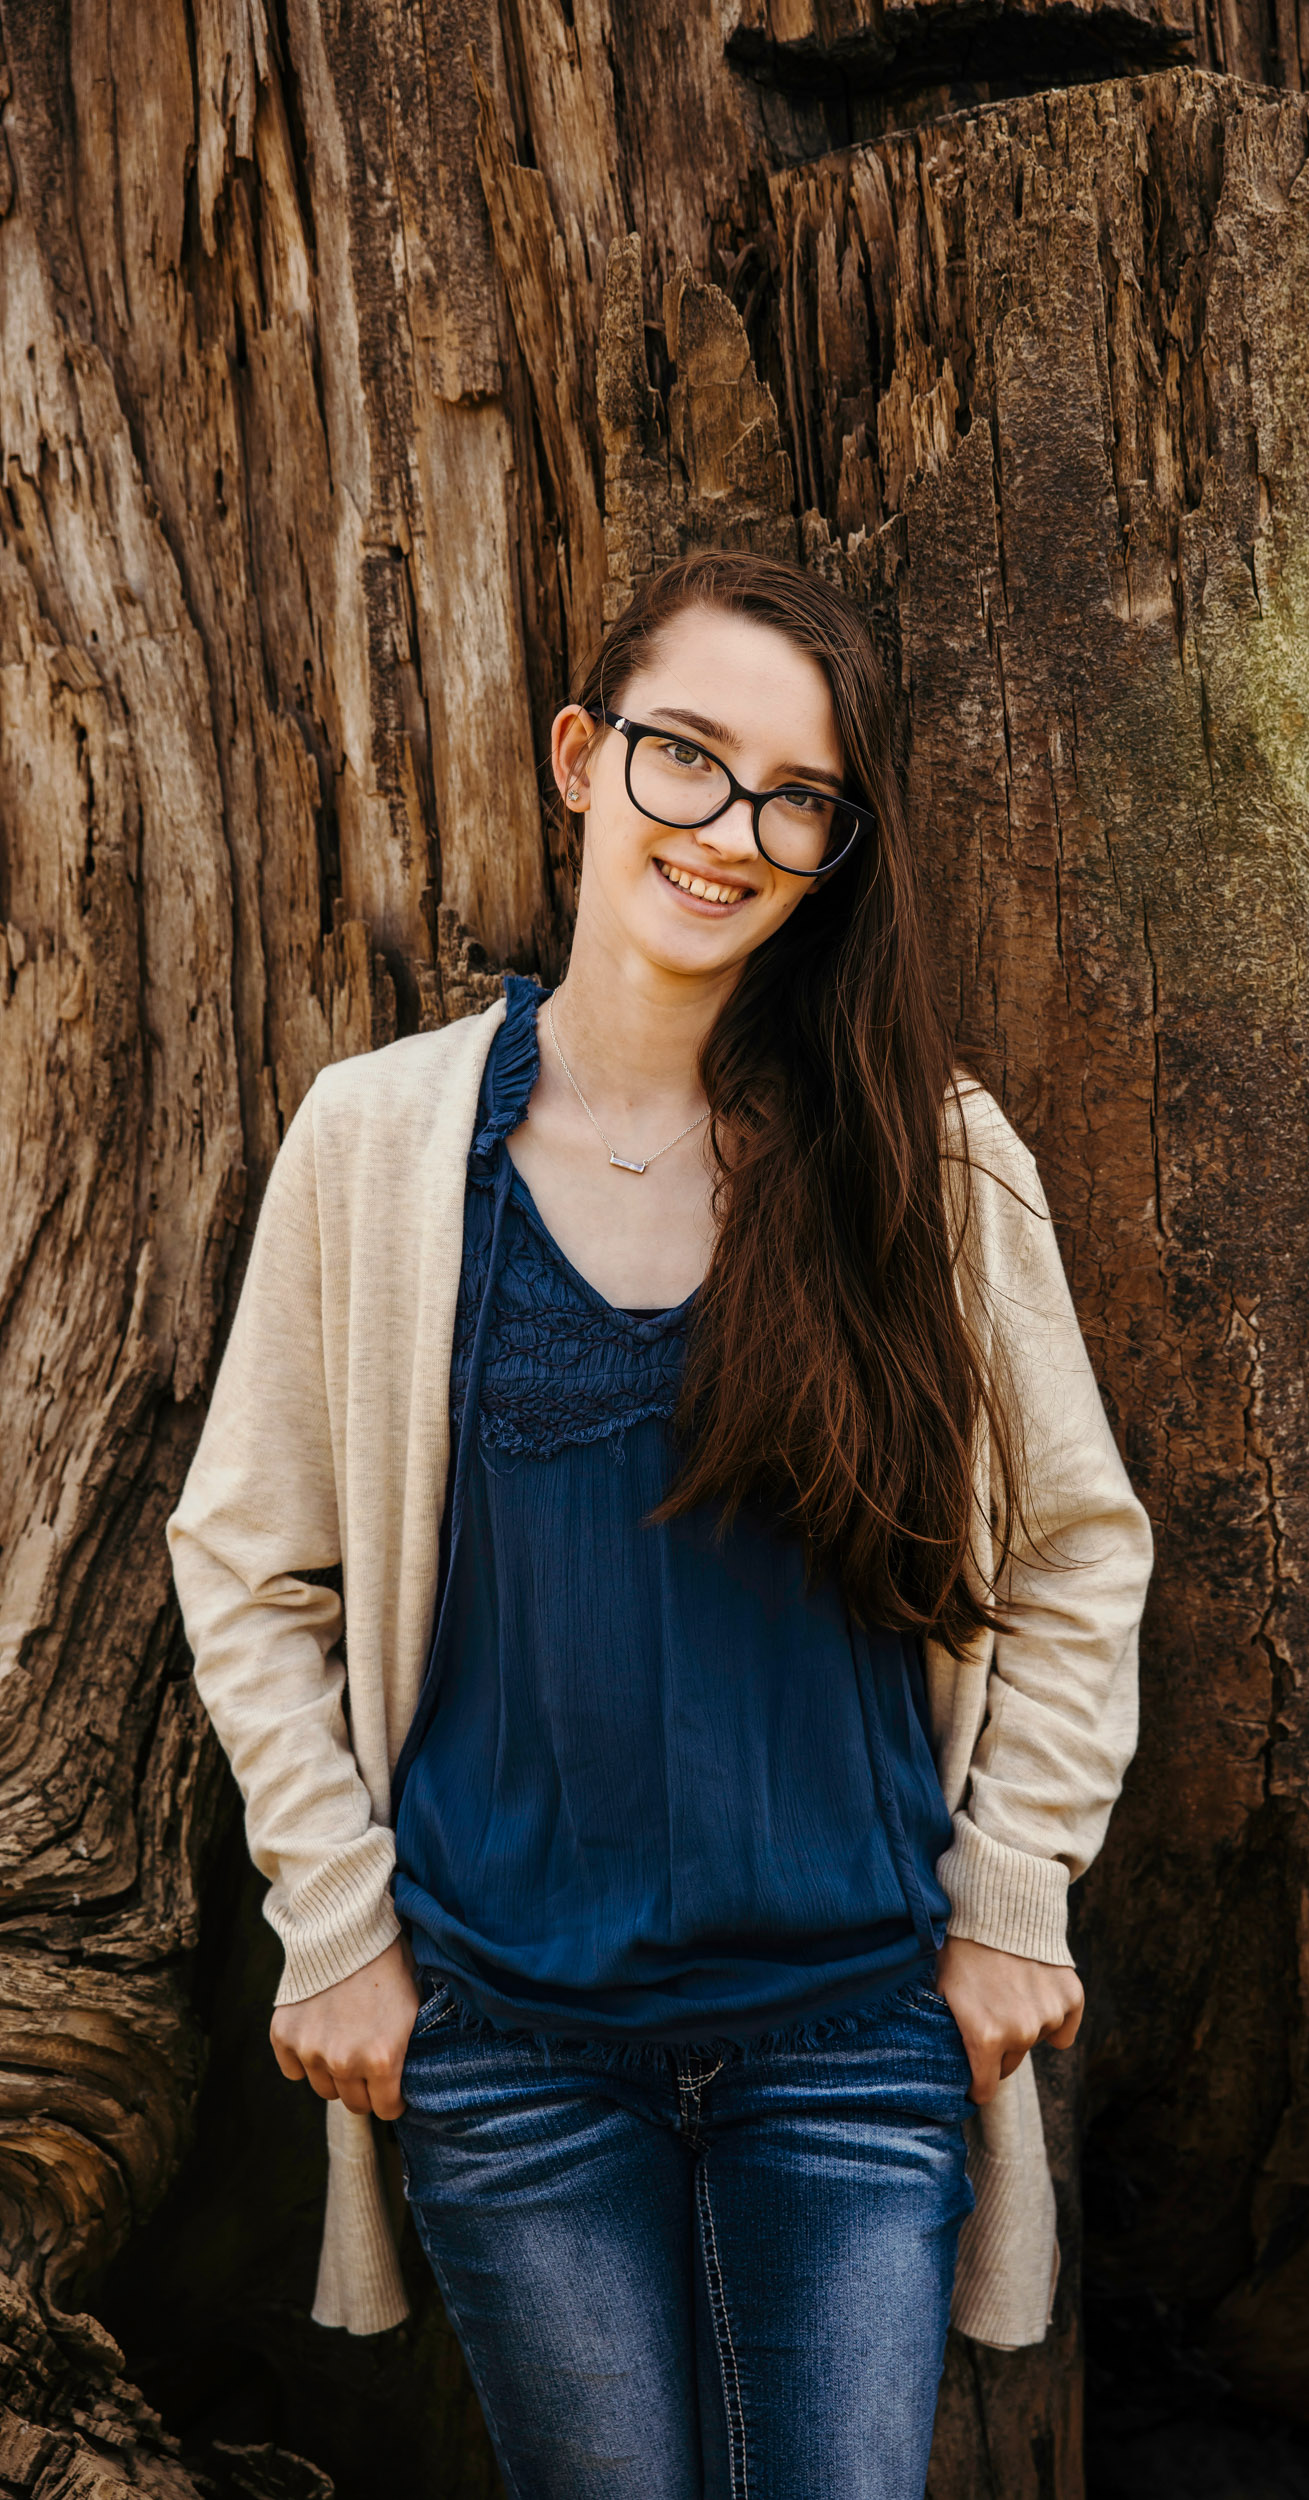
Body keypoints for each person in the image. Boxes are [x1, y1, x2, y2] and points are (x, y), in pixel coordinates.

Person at [167, 550, 1154, 2500]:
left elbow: (1075, 1550)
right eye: (685, 759)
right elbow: (250, 1561)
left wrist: (1017, 1893)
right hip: (510, 2046)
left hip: (856, 2039)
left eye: (798, 797)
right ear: (578, 757)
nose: (732, 832)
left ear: (838, 848)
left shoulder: (925, 1160)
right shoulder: (381, 1148)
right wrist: (339, 1929)